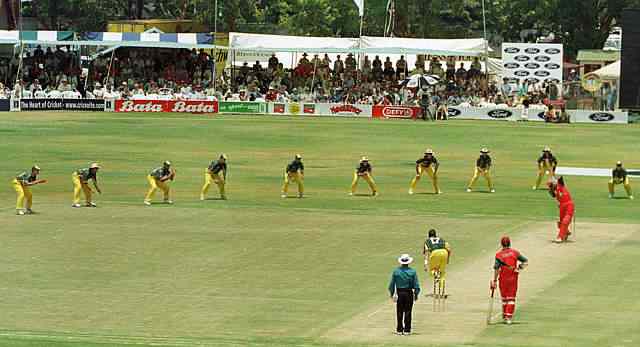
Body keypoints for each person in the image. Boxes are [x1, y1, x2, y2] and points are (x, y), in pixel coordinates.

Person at [491, 236, 528, 325]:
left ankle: (505, 315)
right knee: (511, 299)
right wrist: (519, 268)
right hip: (513, 278)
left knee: (504, 299)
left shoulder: (499, 255)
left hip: (503, 279)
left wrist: (495, 280)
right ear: (510, 243)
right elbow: (525, 261)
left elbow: (496, 268)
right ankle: (508, 317)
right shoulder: (515, 253)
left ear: (501, 244)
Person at [388, 254, 420, 335]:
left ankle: (399, 329)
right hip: (409, 292)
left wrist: (392, 294)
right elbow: (416, 285)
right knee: (408, 311)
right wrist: (416, 294)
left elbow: (392, 284)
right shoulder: (412, 272)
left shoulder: (396, 271)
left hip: (399, 293)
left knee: (399, 311)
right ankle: (407, 330)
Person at [423, 229, 451, 296]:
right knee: (442, 272)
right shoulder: (441, 240)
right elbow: (449, 249)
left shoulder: (427, 241)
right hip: (445, 253)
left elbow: (426, 253)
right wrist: (448, 259)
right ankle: (442, 292)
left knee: (432, 270)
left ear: (429, 235)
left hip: (435, 253)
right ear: (435, 235)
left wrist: (425, 264)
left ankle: (435, 273)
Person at [548, 176, 575, 243]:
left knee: (565, 221)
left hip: (569, 205)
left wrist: (554, 178)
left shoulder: (560, 185)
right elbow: (556, 197)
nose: (550, 187)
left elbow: (560, 178)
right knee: (560, 223)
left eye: (551, 185)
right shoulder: (553, 191)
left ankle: (559, 237)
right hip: (562, 206)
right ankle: (566, 232)